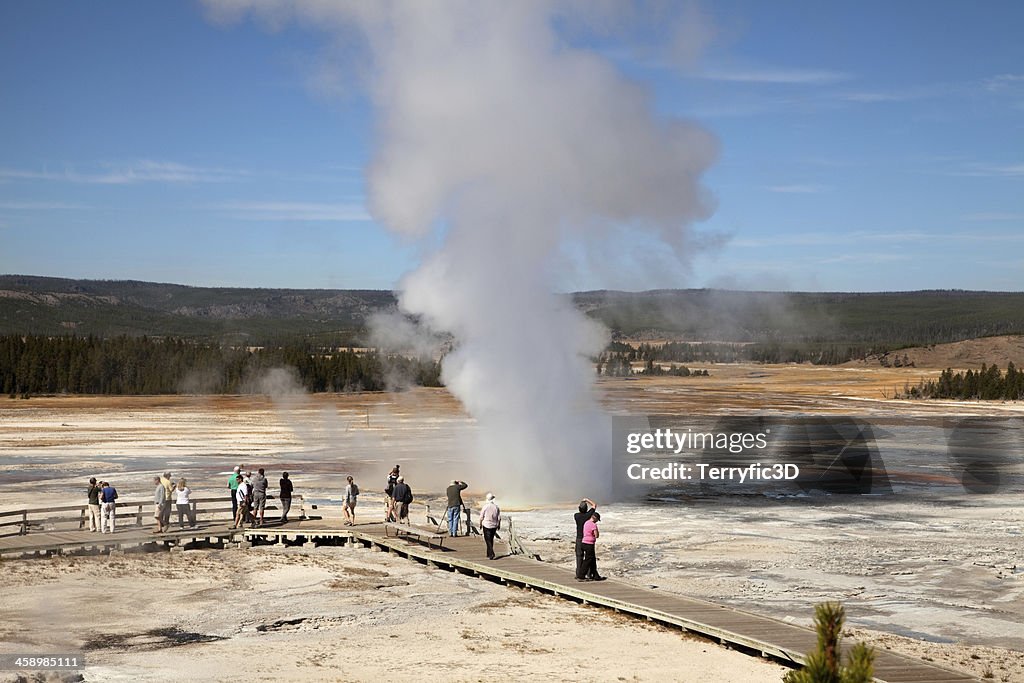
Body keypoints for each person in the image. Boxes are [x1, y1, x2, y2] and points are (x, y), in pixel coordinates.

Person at [574, 498, 597, 580]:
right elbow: (594, 505)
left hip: (579, 539)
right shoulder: (588, 516)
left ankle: (578, 574)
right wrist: (587, 500)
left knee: (579, 557)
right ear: (586, 509)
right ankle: (587, 574)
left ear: (579, 508)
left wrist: (582, 502)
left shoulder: (576, 516)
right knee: (588, 558)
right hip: (587, 539)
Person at [580, 511, 606, 581]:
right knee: (588, 560)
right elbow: (597, 535)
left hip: (584, 542)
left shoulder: (586, 523)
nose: (597, 521)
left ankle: (595, 576)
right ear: (595, 518)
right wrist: (596, 531)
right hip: (589, 544)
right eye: (597, 520)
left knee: (592, 560)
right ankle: (581, 575)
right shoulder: (593, 525)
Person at [479, 493, 501, 560]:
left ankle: (491, 553)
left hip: (486, 525)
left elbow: (481, 516)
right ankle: (488, 554)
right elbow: (499, 517)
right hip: (494, 525)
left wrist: (480, 524)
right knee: (491, 539)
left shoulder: (485, 507)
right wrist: (499, 525)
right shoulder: (496, 507)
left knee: (487, 540)